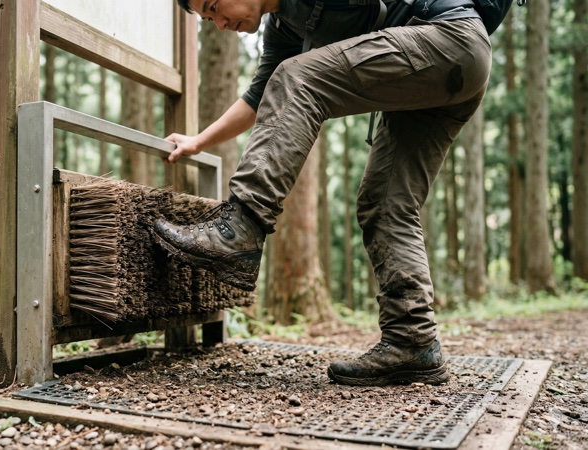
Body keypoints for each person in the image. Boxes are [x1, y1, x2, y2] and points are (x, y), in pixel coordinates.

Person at [153, 0, 491, 387]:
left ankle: (241, 228)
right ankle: (411, 340)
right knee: (385, 202)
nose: (218, 24)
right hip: (444, 72)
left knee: (297, 76)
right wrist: (198, 141)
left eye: (213, 7)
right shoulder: (282, 29)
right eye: (207, 18)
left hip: (448, 40)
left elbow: (295, 82)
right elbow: (262, 95)